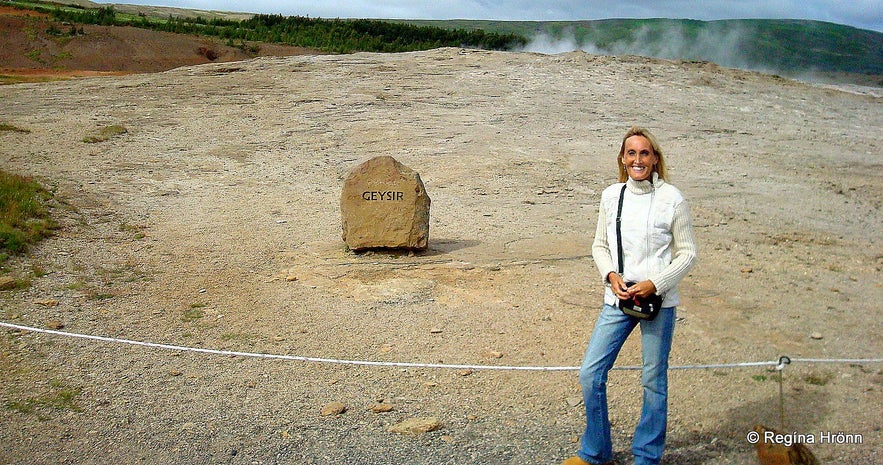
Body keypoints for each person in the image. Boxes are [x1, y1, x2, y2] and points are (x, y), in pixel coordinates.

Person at [563, 127, 698, 465]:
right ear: (623, 159)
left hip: (658, 302)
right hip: (618, 300)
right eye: (632, 153)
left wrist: (657, 282)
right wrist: (610, 275)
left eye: (645, 153)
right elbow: (599, 245)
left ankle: (647, 456)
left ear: (655, 159)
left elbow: (687, 253)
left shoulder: (673, 199)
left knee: (653, 379)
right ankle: (595, 452)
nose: (638, 160)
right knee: (590, 374)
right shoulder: (611, 195)